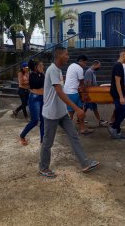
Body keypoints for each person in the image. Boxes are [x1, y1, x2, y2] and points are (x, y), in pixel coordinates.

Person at [38, 47, 100, 178]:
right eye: (66, 54)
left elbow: (60, 88)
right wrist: (76, 108)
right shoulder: (52, 70)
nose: (68, 56)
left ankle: (85, 163)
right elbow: (59, 92)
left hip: (61, 112)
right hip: (51, 113)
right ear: (59, 55)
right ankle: (43, 167)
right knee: (48, 142)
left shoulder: (59, 70)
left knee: (74, 136)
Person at [64, 55, 94, 135]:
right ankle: (69, 130)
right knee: (71, 113)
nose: (85, 64)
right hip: (72, 92)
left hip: (69, 91)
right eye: (85, 63)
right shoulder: (79, 68)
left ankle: (83, 128)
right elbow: (81, 83)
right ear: (80, 61)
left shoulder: (71, 65)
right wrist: (84, 94)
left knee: (80, 111)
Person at [19, 60, 45, 145]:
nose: (42, 67)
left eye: (42, 66)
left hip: (42, 98)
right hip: (34, 99)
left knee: (43, 120)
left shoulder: (41, 74)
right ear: (36, 67)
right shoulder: (32, 75)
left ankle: (43, 140)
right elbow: (37, 84)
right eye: (40, 66)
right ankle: (22, 135)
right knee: (35, 121)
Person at [108, 49, 125, 140]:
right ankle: (113, 128)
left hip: (118, 93)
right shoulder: (118, 66)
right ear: (123, 55)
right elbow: (117, 82)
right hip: (117, 94)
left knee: (119, 112)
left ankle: (117, 132)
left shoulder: (120, 65)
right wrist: (121, 96)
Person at [83, 60, 108, 127]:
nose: (99, 67)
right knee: (94, 107)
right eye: (99, 66)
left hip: (92, 92)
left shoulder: (92, 72)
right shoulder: (89, 72)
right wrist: (89, 93)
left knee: (86, 107)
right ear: (95, 65)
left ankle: (79, 119)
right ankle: (100, 121)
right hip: (90, 93)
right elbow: (88, 83)